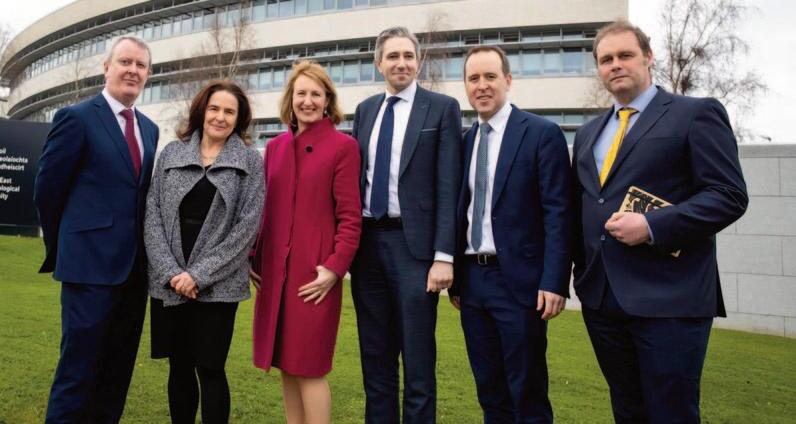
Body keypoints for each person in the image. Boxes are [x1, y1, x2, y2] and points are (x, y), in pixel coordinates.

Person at [571, 20, 748, 423]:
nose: (615, 65)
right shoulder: (588, 134)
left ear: (649, 57)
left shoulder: (695, 114)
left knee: (671, 414)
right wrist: (581, 276)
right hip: (603, 300)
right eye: (606, 59)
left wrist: (652, 226)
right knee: (627, 411)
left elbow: (728, 195)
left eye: (625, 55)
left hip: (670, 299)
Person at [33, 35, 159, 423]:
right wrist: (69, 247)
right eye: (125, 62)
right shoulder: (76, 118)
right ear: (107, 68)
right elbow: (47, 191)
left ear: (148, 74)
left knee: (115, 377)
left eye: (140, 65)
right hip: (87, 270)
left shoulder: (150, 129)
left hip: (133, 275)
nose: (132, 70)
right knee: (77, 375)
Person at [447, 45, 573, 423]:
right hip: (473, 283)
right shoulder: (464, 142)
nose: (482, 85)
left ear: (508, 80)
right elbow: (460, 211)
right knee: (490, 392)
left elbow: (558, 213)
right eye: (473, 78)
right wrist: (457, 281)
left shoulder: (541, 134)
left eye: (490, 76)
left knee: (527, 393)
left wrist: (554, 281)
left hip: (520, 283)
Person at [349, 26, 462, 423]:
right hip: (367, 249)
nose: (402, 63)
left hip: (415, 251)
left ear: (419, 61)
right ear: (378, 63)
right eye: (393, 56)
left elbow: (449, 185)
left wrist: (444, 255)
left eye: (408, 56)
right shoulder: (365, 111)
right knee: (375, 359)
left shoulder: (442, 108)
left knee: (418, 360)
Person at [144, 80, 264, 423]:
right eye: (214, 108)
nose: (220, 117)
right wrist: (172, 273)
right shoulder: (172, 153)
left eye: (229, 111)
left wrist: (198, 275)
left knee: (211, 368)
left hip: (218, 286)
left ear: (239, 118)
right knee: (179, 367)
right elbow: (152, 214)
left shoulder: (249, 161)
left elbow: (247, 227)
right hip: (170, 282)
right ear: (202, 110)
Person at [251, 60, 361, 424]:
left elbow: (350, 218)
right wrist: (254, 257)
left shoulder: (343, 147)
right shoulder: (276, 147)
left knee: (310, 367)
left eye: (316, 94)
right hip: (275, 275)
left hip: (314, 276)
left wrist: (334, 269)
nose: (308, 101)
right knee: (286, 365)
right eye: (301, 93)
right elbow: (264, 210)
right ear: (291, 98)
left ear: (328, 100)